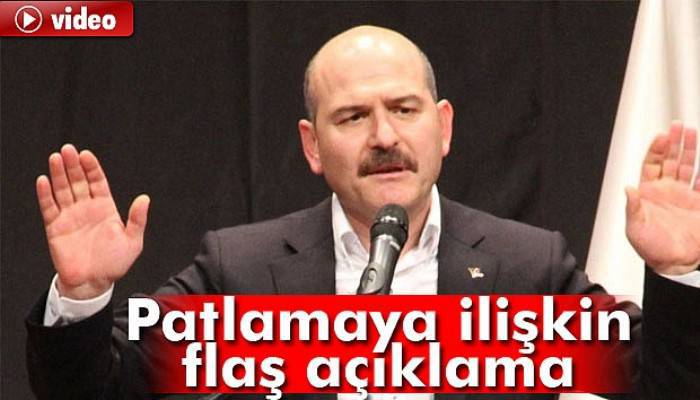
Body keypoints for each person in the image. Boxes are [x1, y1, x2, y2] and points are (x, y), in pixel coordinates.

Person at [26, 25, 700, 400]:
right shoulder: (241, 269)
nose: (383, 136)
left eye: (403, 109)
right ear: (311, 145)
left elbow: (664, 387)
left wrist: (678, 274)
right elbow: (99, 391)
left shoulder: (528, 266)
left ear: (443, 128)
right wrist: (84, 296)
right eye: (352, 116)